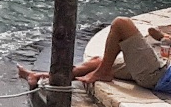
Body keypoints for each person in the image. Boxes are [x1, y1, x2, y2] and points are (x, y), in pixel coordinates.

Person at [27, 17, 171, 92]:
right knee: (97, 61)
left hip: (157, 75)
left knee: (121, 24)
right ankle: (43, 77)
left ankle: (103, 72)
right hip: (160, 72)